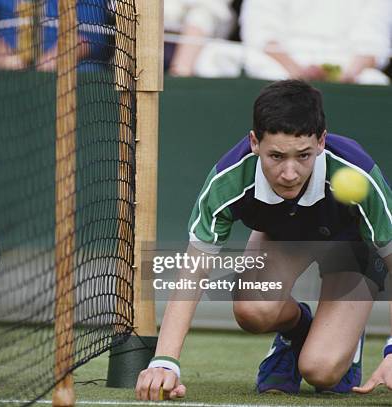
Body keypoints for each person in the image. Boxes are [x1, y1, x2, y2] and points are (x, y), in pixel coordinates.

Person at [135, 80, 392, 400]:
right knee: (253, 310)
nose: (289, 173)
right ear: (254, 142)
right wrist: (165, 363)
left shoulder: (359, 174)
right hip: (284, 237)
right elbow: (194, 271)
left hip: (352, 248)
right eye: (276, 156)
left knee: (321, 371)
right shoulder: (228, 181)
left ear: (322, 141)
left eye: (303, 156)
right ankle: (296, 333)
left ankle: (343, 339)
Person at [240, 0, 391, 85]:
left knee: (374, 81)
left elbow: (373, 40)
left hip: (347, 66)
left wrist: (347, 75)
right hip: (281, 63)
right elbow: (261, 32)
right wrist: (298, 72)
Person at [0, 0, 110, 70]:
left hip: (61, 63)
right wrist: (6, 60)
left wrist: (50, 62)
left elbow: (91, 34)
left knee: (89, 69)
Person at [164, 0, 239, 78]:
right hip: (164, 36)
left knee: (200, 16)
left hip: (207, 38)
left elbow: (213, 8)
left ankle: (179, 76)